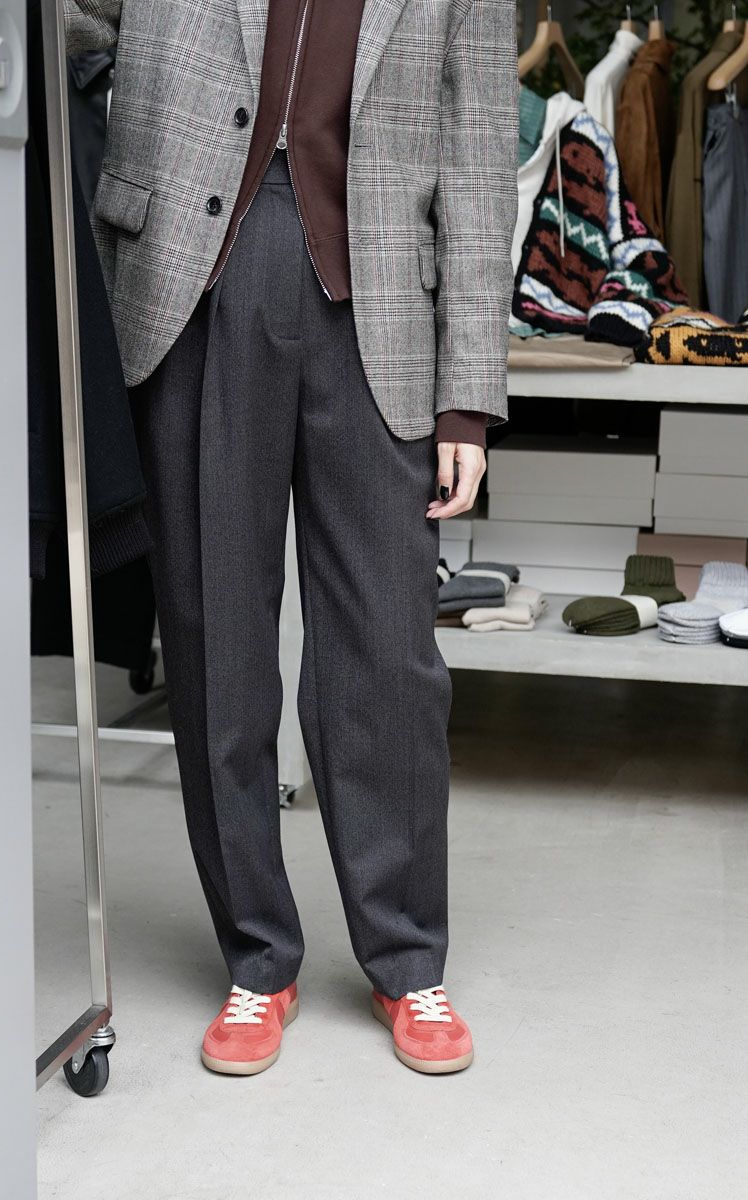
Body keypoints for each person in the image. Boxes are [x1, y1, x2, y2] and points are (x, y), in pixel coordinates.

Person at [65, 0, 518, 1076]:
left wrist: (468, 403)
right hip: (194, 279)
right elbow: (72, 26)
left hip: (382, 305)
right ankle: (258, 958)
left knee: (391, 657)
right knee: (216, 642)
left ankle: (407, 958)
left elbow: (479, 163)